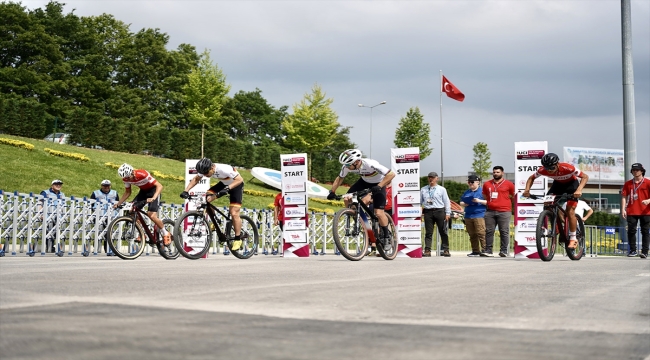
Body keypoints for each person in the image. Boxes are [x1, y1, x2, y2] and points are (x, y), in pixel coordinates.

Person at [327, 149, 395, 252]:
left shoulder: (370, 164)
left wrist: (379, 186)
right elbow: (340, 178)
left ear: (356, 162)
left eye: (348, 165)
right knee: (347, 198)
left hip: (379, 183)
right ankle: (358, 218)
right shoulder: (348, 166)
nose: (346, 167)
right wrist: (332, 191)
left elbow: (391, 174)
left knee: (379, 213)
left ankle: (386, 236)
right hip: (364, 182)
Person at [523, 153, 589, 250]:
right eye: (547, 168)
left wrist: (579, 190)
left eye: (552, 168)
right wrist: (527, 190)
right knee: (547, 202)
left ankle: (573, 238)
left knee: (570, 211)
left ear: (557, 164)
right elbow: (531, 178)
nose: (549, 171)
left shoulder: (568, 168)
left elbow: (585, 177)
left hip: (572, 185)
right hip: (557, 185)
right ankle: (554, 225)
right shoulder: (542, 170)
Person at [181, 158, 245, 251]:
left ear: (212, 168)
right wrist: (186, 190)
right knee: (207, 197)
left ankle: (238, 239)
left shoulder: (224, 169)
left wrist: (227, 189)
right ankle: (215, 221)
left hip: (236, 185)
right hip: (224, 183)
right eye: (204, 174)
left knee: (234, 213)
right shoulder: (205, 169)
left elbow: (240, 179)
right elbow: (196, 179)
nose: (205, 175)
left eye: (207, 173)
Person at [113, 163, 170, 246]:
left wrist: (154, 197)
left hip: (153, 191)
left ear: (132, 172)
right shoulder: (126, 179)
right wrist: (118, 204)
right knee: (132, 210)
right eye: (126, 178)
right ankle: (142, 233)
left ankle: (165, 233)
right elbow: (128, 192)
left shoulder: (142, 174)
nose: (128, 179)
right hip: (143, 193)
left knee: (151, 215)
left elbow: (159, 186)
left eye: (129, 177)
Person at [482, 166, 515, 257]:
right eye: (494, 172)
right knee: (489, 231)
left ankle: (503, 251)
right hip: (490, 211)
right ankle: (488, 250)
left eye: (498, 172)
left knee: (504, 231)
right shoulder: (487, 184)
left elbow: (513, 195)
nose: (495, 174)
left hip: (504, 211)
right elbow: (485, 195)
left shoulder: (509, 184)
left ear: (502, 173)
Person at [621, 163, 650, 258]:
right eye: (633, 170)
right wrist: (623, 209)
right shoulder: (628, 183)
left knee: (645, 231)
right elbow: (624, 197)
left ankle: (645, 251)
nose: (635, 171)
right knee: (631, 231)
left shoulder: (647, 182)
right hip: (632, 210)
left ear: (642, 171)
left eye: (637, 170)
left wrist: (648, 200)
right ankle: (633, 250)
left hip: (645, 211)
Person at [420, 172, 451, 257]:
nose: (431, 179)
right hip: (428, 211)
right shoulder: (423, 189)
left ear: (437, 178)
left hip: (439, 211)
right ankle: (427, 250)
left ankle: (446, 249)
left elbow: (446, 201)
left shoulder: (442, 189)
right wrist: (419, 213)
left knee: (443, 231)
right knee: (428, 232)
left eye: (433, 178)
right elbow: (420, 202)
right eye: (429, 177)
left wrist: (448, 213)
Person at [460, 175, 488, 257]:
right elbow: (461, 202)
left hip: (479, 215)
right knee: (472, 234)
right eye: (469, 182)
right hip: (468, 215)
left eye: (472, 182)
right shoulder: (467, 192)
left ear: (478, 182)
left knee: (481, 233)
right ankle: (475, 251)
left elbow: (488, 202)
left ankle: (485, 250)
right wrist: (464, 204)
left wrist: (479, 201)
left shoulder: (483, 191)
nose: (470, 184)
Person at [90, 180, 119, 253]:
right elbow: (91, 204)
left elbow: (118, 203)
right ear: (101, 186)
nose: (106, 187)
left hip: (110, 216)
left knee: (109, 233)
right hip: (99, 216)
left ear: (110, 186)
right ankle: (96, 248)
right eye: (104, 185)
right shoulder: (95, 193)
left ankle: (108, 249)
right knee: (98, 232)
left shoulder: (114, 193)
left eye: (108, 185)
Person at [40, 180, 66, 253]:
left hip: (58, 217)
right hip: (48, 216)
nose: (58, 186)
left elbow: (64, 206)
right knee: (48, 232)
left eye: (60, 184)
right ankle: (49, 247)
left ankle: (54, 247)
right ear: (52, 185)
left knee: (57, 232)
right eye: (56, 184)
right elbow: (40, 203)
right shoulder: (45, 193)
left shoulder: (62, 194)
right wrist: (41, 214)